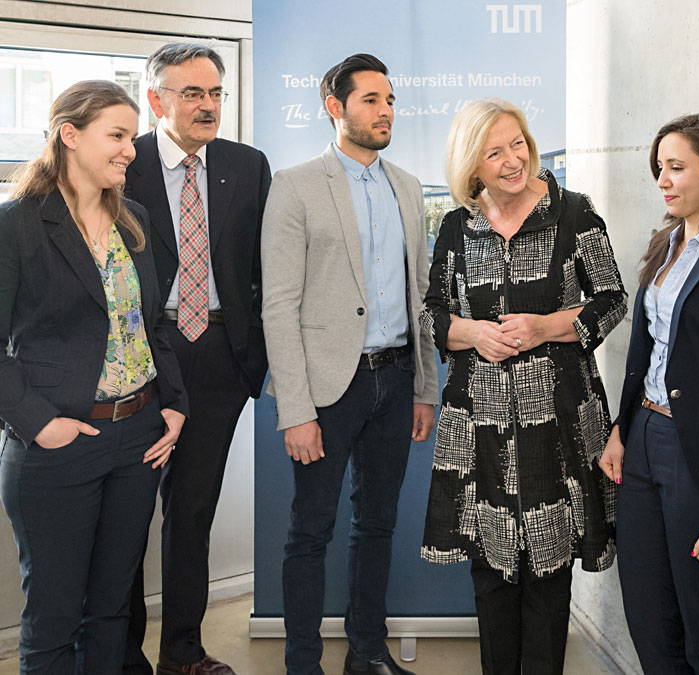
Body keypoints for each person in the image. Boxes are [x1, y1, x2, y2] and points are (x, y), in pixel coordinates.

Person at [420, 98, 626, 675]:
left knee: (547, 573)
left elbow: (611, 301)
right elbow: (433, 312)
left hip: (556, 421)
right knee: (489, 570)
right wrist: (472, 334)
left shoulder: (573, 213)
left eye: (518, 143)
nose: (513, 160)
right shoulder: (459, 225)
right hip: (478, 423)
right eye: (495, 151)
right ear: (472, 164)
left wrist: (547, 326)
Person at [0, 80, 188, 673]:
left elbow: (154, 323)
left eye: (132, 136)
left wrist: (174, 403)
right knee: (55, 618)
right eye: (117, 135)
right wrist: (40, 424)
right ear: (70, 135)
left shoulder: (133, 218)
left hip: (138, 438)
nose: (131, 149)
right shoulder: (17, 225)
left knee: (111, 610)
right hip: (60, 444)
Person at [260, 53, 438, 675]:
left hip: (395, 379)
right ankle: (302, 664)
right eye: (370, 100)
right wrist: (295, 408)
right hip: (327, 388)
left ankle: (366, 652)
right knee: (310, 531)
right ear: (334, 107)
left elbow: (422, 299)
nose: (385, 111)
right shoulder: (296, 184)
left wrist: (424, 386)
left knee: (378, 523)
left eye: (390, 100)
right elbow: (279, 305)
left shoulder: (410, 187)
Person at [121, 43, 271, 675]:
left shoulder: (248, 164)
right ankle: (122, 655)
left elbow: (263, 268)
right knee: (124, 515)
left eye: (215, 93)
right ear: (156, 100)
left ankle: (182, 652)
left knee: (193, 511)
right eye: (192, 94)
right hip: (141, 360)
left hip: (218, 357)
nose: (208, 105)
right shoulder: (123, 165)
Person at [598, 111, 699, 673]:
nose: (662, 180)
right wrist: (621, 428)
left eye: (676, 168)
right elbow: (643, 352)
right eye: (658, 168)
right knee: (647, 611)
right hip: (643, 439)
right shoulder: (665, 244)